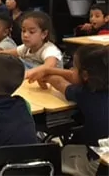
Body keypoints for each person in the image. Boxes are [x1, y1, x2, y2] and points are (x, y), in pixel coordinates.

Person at [25, 45, 108, 176]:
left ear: (86, 75)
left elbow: (60, 83)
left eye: (74, 67)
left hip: (99, 164)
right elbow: (74, 76)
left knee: (55, 154)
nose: (70, 70)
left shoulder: (86, 94)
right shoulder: (98, 85)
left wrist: (48, 76)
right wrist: (49, 70)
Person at [0, 11, 63, 79]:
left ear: (44, 34)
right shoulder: (26, 48)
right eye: (23, 31)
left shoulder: (50, 49)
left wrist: (26, 74)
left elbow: (49, 67)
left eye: (31, 32)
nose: (25, 35)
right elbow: (6, 54)